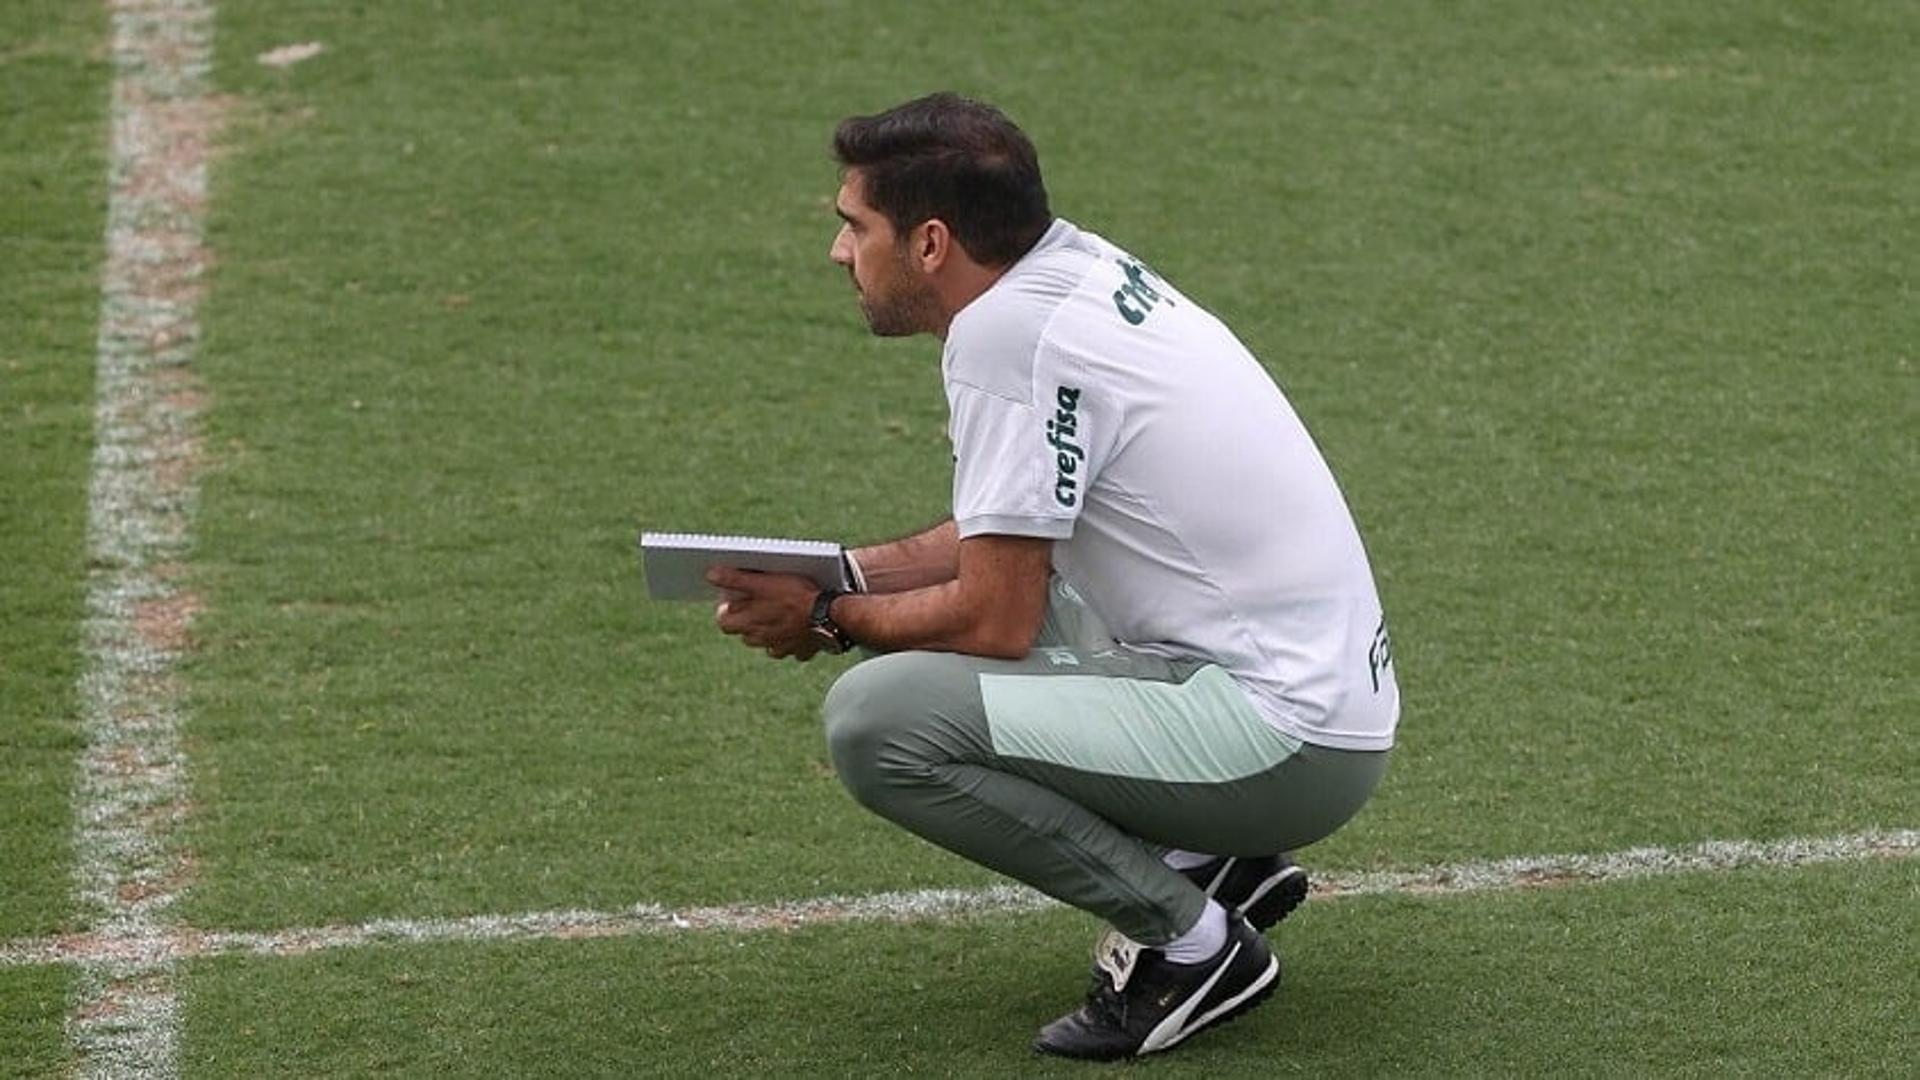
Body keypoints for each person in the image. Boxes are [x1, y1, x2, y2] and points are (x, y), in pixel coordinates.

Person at [709, 92, 1399, 1061]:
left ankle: (1192, 946)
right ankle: (1210, 859)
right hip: (1315, 706)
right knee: (1044, 589)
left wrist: (830, 617)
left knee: (879, 724)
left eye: (854, 226)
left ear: (933, 243)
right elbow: (1016, 526)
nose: (839, 252)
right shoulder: (1071, 270)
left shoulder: (1007, 341)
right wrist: (844, 572)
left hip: (1281, 746)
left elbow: (997, 615)